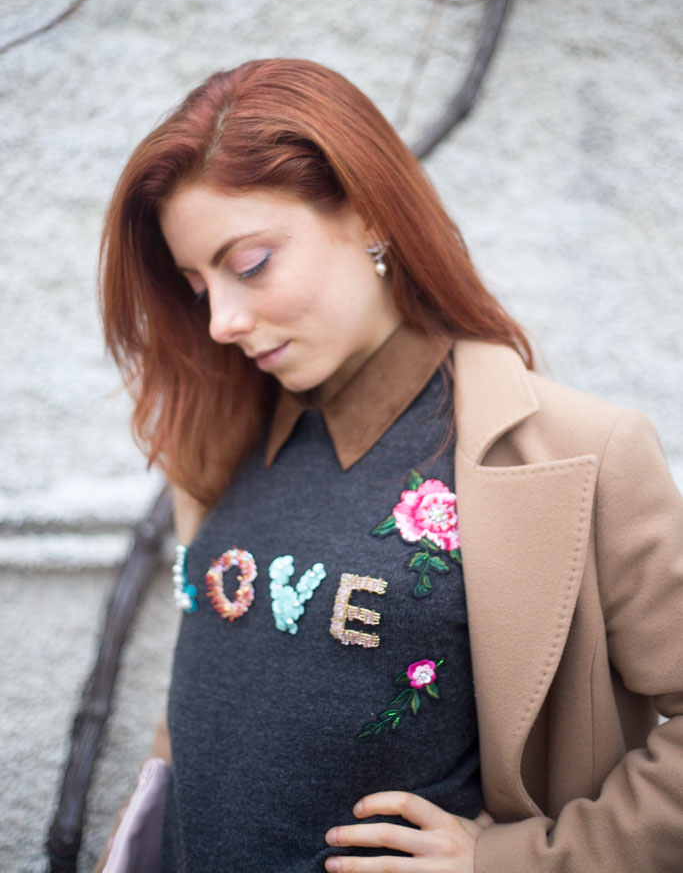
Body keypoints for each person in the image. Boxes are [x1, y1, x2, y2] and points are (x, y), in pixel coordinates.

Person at [98, 58, 683, 872]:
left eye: (251, 263)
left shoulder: (580, 450)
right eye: (198, 286)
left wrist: (517, 860)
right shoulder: (221, 439)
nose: (221, 321)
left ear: (370, 214)